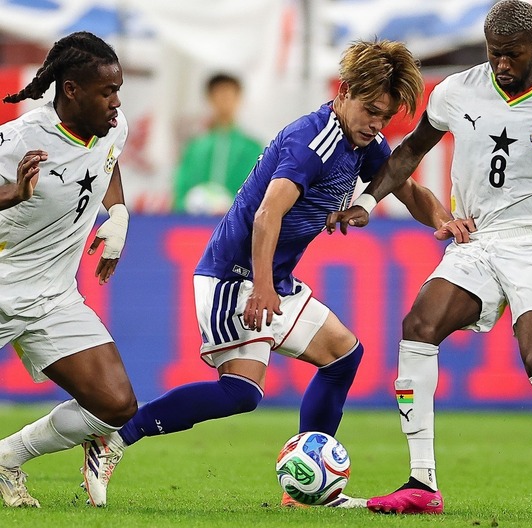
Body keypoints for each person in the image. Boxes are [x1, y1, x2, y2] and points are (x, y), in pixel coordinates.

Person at [81, 39, 450, 508]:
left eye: (385, 116)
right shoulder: (312, 141)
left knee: (343, 357)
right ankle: (112, 441)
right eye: (371, 111)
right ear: (344, 93)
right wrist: (259, 287)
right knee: (241, 392)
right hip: (232, 277)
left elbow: (408, 189)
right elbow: (266, 214)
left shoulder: (364, 142)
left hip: (272, 279)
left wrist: (445, 221)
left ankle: (307, 491)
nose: (377, 124)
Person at [327, 0, 532, 517]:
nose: (502, 63)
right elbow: (410, 151)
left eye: (512, 54)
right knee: (419, 326)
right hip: (478, 241)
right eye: (493, 52)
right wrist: (368, 202)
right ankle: (422, 483)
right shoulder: (457, 91)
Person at [0, 31, 137, 508]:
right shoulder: (18, 139)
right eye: (107, 91)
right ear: (72, 90)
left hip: (52, 296)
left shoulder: (112, 125)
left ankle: (7, 458)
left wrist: (117, 213)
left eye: (119, 89)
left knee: (116, 404)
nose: (117, 102)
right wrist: (12, 194)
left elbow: (108, 161)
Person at [172, 73, 264, 214]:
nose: (225, 101)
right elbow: (180, 188)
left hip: (238, 222)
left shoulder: (252, 148)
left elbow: (259, 189)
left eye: (229, 95)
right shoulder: (196, 147)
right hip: (195, 222)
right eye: (219, 95)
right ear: (210, 98)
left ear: (239, 98)